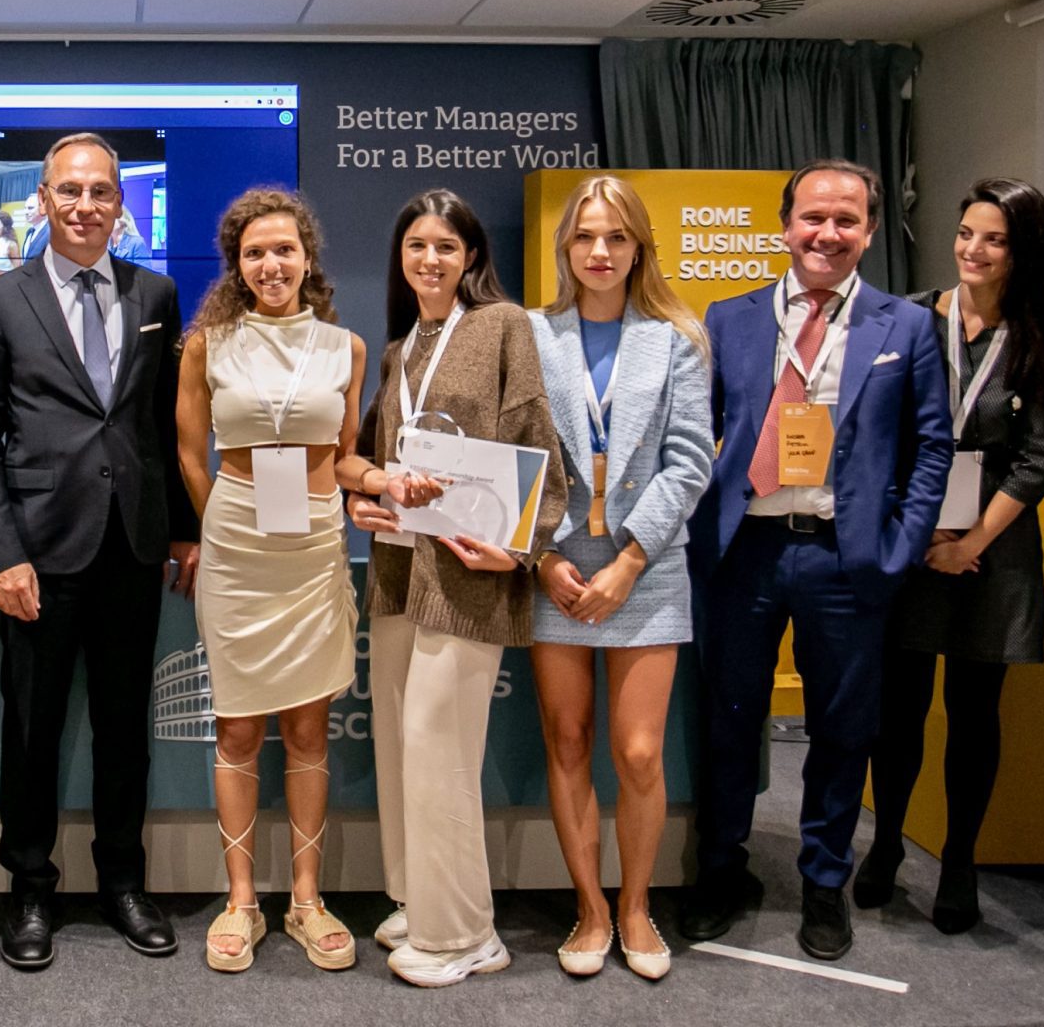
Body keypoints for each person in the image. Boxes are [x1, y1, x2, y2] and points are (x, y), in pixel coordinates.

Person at [679, 159, 952, 962]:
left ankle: (824, 881)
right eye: (812, 218)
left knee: (841, 729)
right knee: (729, 719)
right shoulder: (727, 320)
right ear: (784, 224)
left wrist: (900, 548)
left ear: (869, 230)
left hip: (845, 560)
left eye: (846, 220)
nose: (827, 234)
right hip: (744, 554)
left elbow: (931, 445)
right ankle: (723, 867)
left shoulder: (904, 327)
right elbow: (697, 436)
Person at [0, 132, 200, 969]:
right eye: (70, 191)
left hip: (130, 548)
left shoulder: (156, 291)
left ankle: (123, 883)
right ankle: (29, 889)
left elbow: (164, 428)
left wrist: (181, 528)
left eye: (102, 191)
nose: (86, 205)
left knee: (123, 730)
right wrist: (1, 555)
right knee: (31, 731)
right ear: (43, 202)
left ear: (120, 205)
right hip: (37, 555)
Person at [337, 189, 567, 988]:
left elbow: (538, 437)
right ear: (399, 260)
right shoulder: (402, 347)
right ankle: (420, 899)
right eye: (415, 247)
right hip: (403, 570)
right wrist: (368, 500)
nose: (430, 259)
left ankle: (466, 932)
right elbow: (375, 455)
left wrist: (524, 550)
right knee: (405, 745)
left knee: (441, 750)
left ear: (471, 256)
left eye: (445, 245)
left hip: (472, 572)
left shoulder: (505, 327)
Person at [855, 178, 1044, 936]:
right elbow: (875, 432)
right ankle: (885, 844)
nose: (974, 250)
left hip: (994, 548)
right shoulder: (911, 317)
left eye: (995, 239)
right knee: (899, 708)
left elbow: (1042, 455)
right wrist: (920, 534)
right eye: (966, 233)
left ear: (1023, 252)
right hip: (910, 533)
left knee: (975, 713)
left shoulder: (1041, 335)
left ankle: (958, 860)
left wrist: (972, 541)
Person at [173, 189, 367, 974]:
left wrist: (380, 482)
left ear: (308, 257)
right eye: (255, 252)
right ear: (238, 265)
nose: (271, 264)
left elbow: (347, 452)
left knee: (310, 730)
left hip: (316, 541)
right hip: (237, 546)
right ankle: (243, 899)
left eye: (284, 249)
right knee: (239, 729)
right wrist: (223, 517)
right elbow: (190, 454)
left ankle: (308, 899)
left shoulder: (345, 348)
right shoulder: (208, 342)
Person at [524, 176, 712, 981]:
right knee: (567, 742)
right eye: (585, 238)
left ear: (639, 248)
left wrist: (632, 559)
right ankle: (591, 909)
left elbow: (691, 459)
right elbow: (514, 453)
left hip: (649, 567)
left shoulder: (678, 339)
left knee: (638, 753)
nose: (600, 253)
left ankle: (636, 906)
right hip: (557, 567)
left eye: (617, 238)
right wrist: (541, 554)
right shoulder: (532, 335)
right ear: (565, 248)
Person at [20, 189, 50, 263]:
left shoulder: (51, 231)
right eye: (25, 208)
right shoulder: (29, 232)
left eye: (30, 208)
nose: (26, 212)